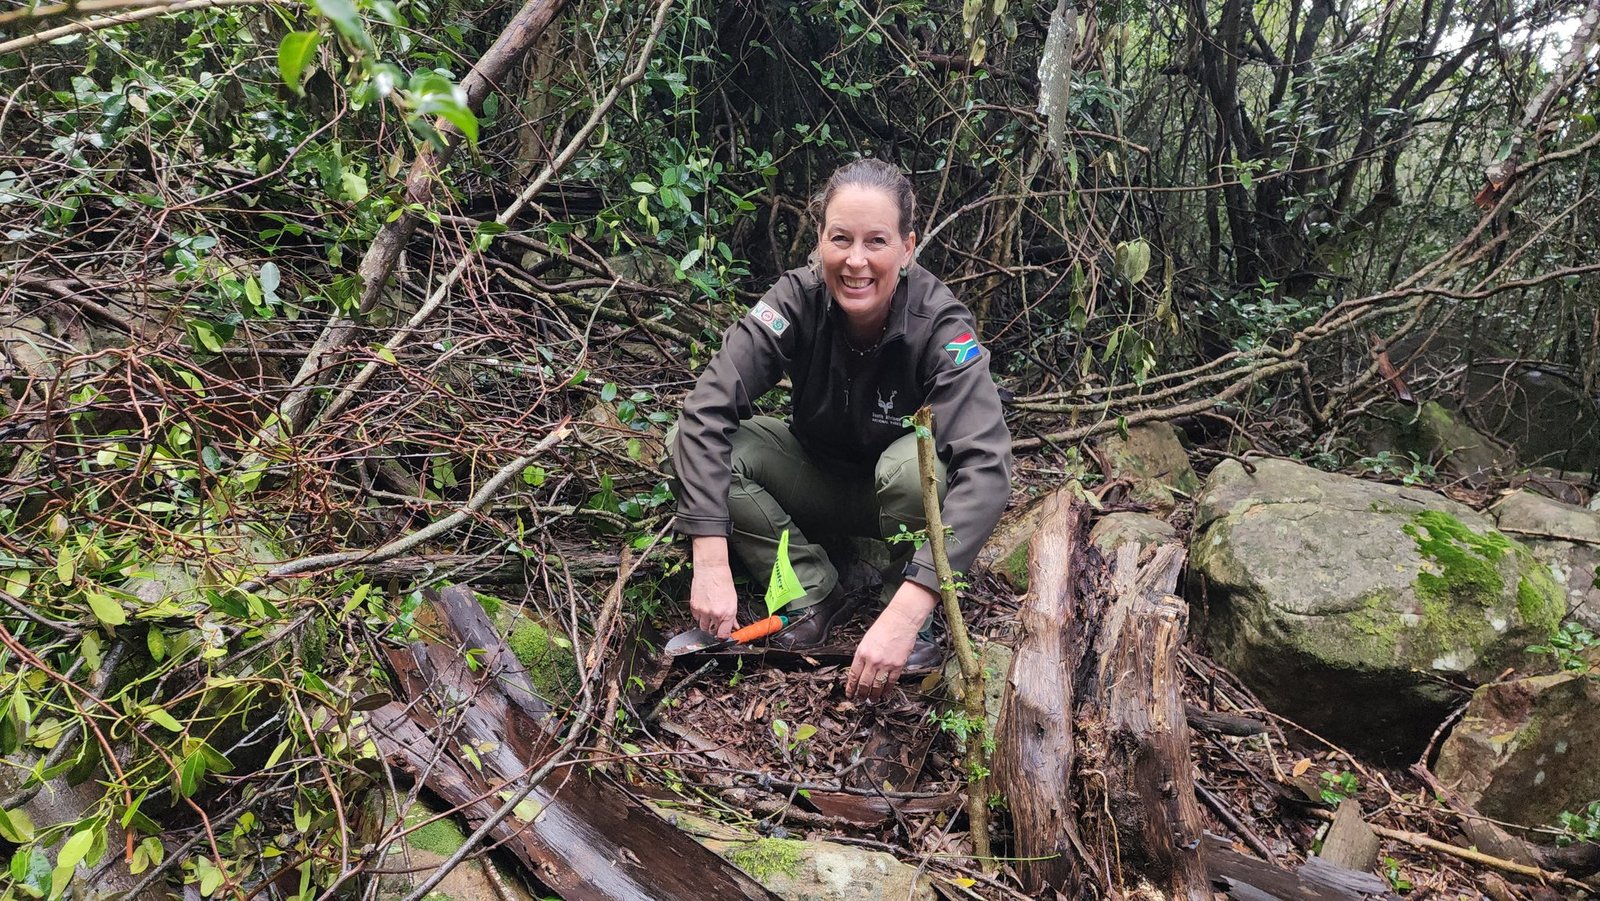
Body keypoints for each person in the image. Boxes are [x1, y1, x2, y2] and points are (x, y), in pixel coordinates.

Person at [666, 158, 1012, 701]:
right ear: (820, 241)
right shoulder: (795, 300)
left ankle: (906, 615)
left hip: (898, 502)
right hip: (817, 479)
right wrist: (708, 559)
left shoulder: (941, 325)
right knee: (701, 445)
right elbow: (707, 408)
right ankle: (810, 592)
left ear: (907, 247)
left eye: (876, 241)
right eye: (840, 239)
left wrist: (914, 602)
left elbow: (989, 468)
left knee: (910, 470)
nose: (855, 262)